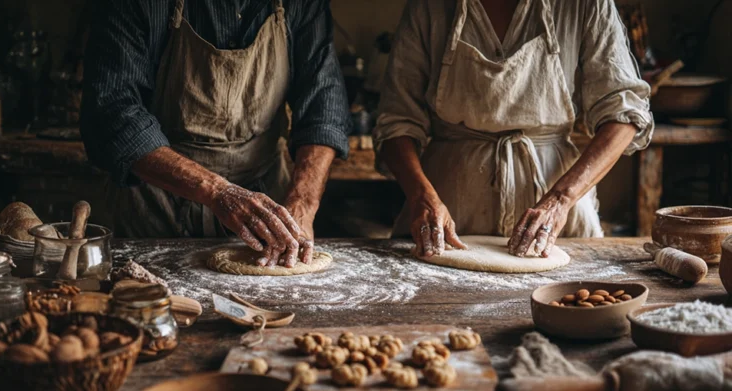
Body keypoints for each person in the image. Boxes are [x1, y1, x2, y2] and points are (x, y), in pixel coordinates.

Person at [373, 0, 653, 258]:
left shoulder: (584, 4)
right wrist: (422, 197)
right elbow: (396, 121)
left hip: (556, 216)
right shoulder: (429, 6)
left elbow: (625, 115)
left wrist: (560, 200)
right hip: (449, 209)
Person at [81, 0, 350, 268]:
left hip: (268, 205)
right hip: (156, 206)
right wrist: (218, 191)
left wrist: (302, 203)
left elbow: (324, 107)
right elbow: (112, 112)